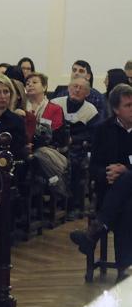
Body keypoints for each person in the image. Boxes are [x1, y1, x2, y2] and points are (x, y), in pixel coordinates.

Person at [70, 170, 132, 281]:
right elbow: (94, 168)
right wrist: (111, 173)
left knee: (128, 177)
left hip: (117, 195)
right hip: (114, 193)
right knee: (126, 208)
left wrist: (124, 170)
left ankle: (96, 231)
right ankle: (122, 268)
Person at [51, 76, 99, 216]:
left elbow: (93, 135)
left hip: (77, 147)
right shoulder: (56, 103)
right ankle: (56, 199)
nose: (77, 90)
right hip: (55, 144)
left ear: (87, 93)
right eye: (74, 86)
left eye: (81, 88)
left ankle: (72, 204)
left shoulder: (91, 110)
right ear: (68, 88)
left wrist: (74, 139)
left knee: (74, 163)